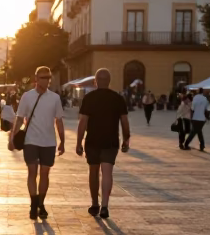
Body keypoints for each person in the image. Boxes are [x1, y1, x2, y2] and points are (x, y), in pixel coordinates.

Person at [9, 67, 65, 220]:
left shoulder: (54, 98)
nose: (46, 80)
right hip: (31, 141)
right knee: (32, 172)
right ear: (36, 79)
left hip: (49, 142)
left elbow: (59, 120)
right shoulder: (27, 97)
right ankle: (34, 204)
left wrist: (62, 141)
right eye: (43, 77)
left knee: (45, 174)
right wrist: (12, 138)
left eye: (48, 77)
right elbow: (19, 118)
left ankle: (41, 203)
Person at [75, 68, 130, 220]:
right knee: (107, 173)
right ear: (109, 81)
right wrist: (126, 139)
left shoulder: (89, 98)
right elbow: (125, 122)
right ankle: (105, 206)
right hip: (110, 141)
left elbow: (83, 122)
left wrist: (79, 142)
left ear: (96, 81)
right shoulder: (118, 98)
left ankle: (94, 204)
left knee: (93, 172)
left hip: (93, 141)